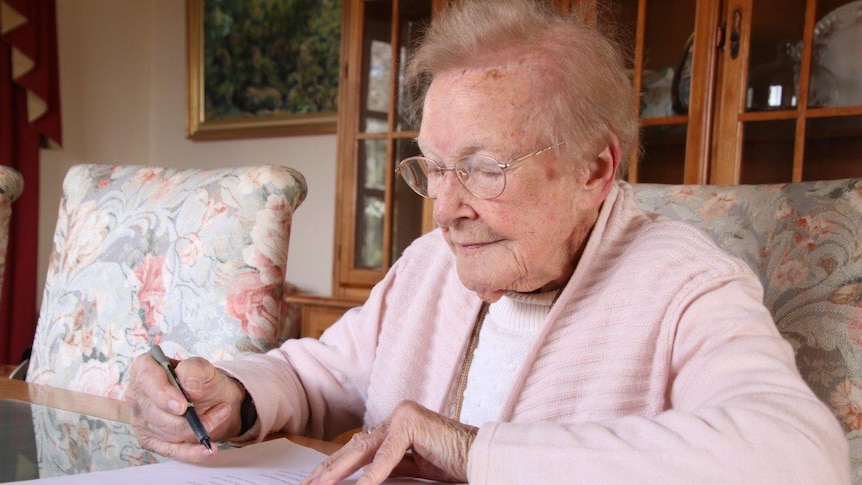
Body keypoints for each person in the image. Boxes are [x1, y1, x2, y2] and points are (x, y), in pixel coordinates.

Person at [126, 0, 851, 483]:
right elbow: (326, 373)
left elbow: (801, 454)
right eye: (434, 168)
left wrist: (474, 450)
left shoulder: (684, 280)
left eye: (481, 169)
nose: (443, 208)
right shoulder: (431, 265)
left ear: (594, 168)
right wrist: (239, 394)